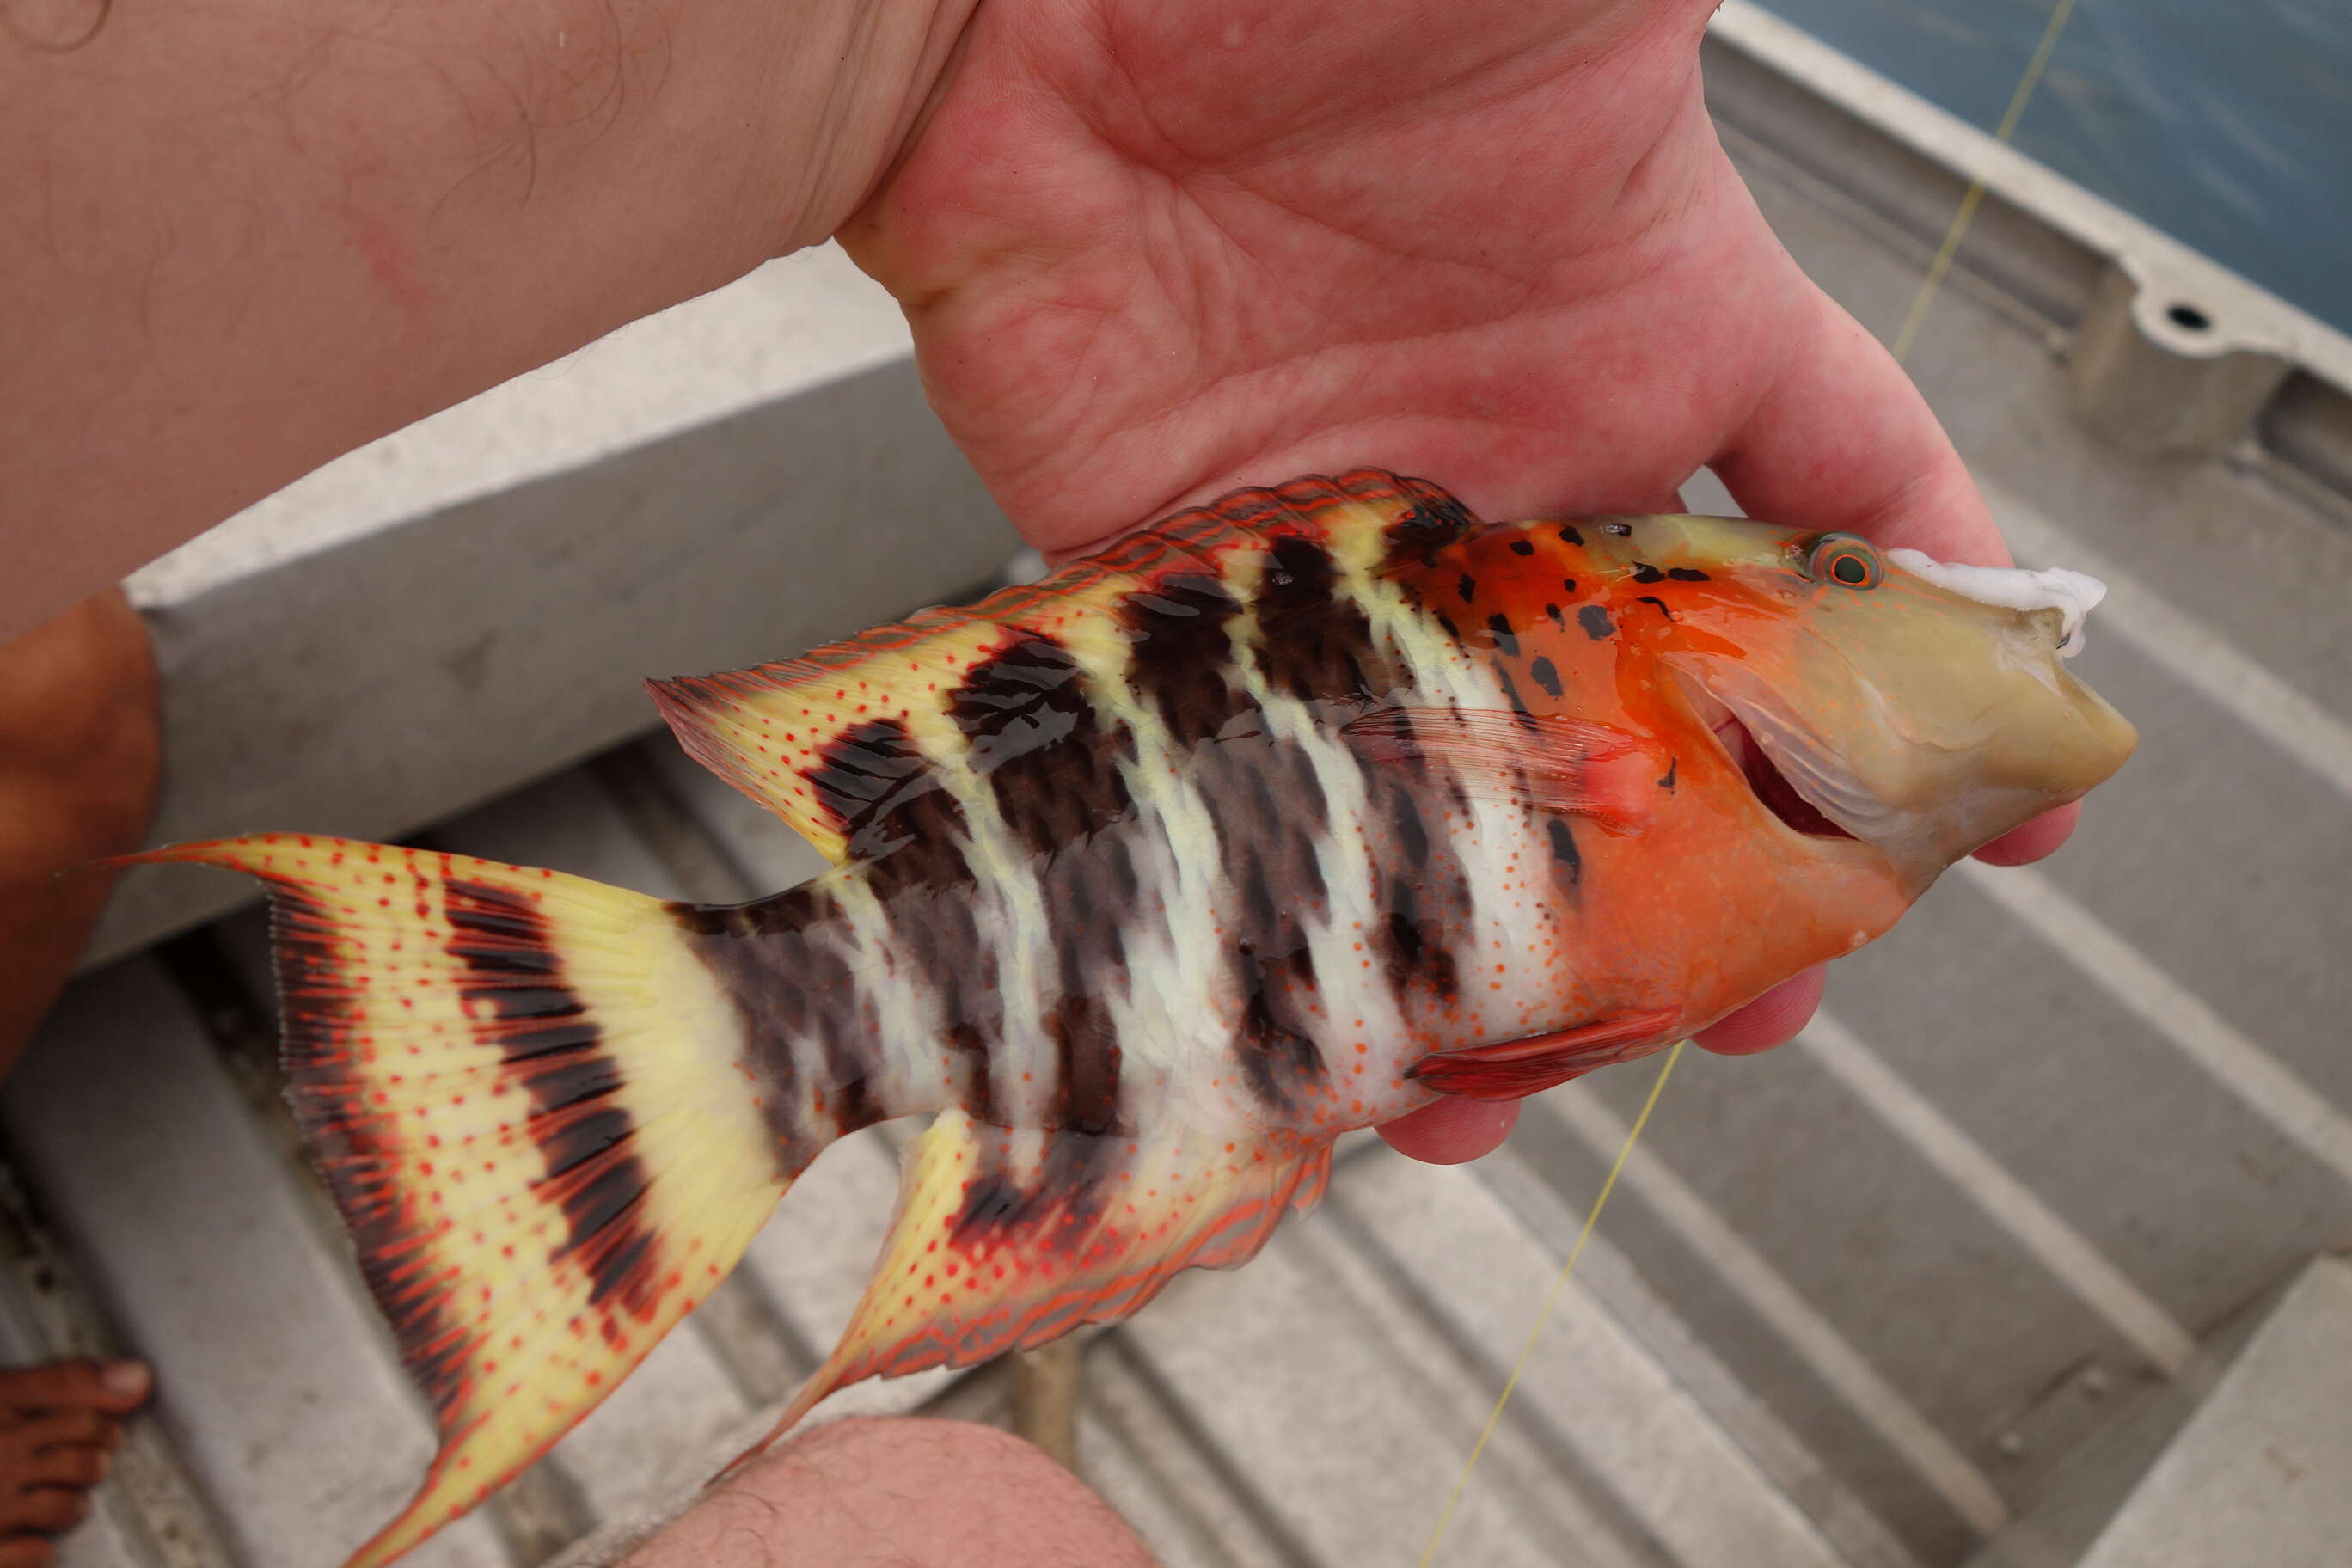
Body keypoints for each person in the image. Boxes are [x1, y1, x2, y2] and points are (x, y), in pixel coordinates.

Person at [0, 0, 2078, 1561]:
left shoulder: (1765, 790)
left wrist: (948, 34)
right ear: (1715, 625)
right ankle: (741, 1037)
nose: (1892, 589)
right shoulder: (1656, 699)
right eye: (1825, 569)